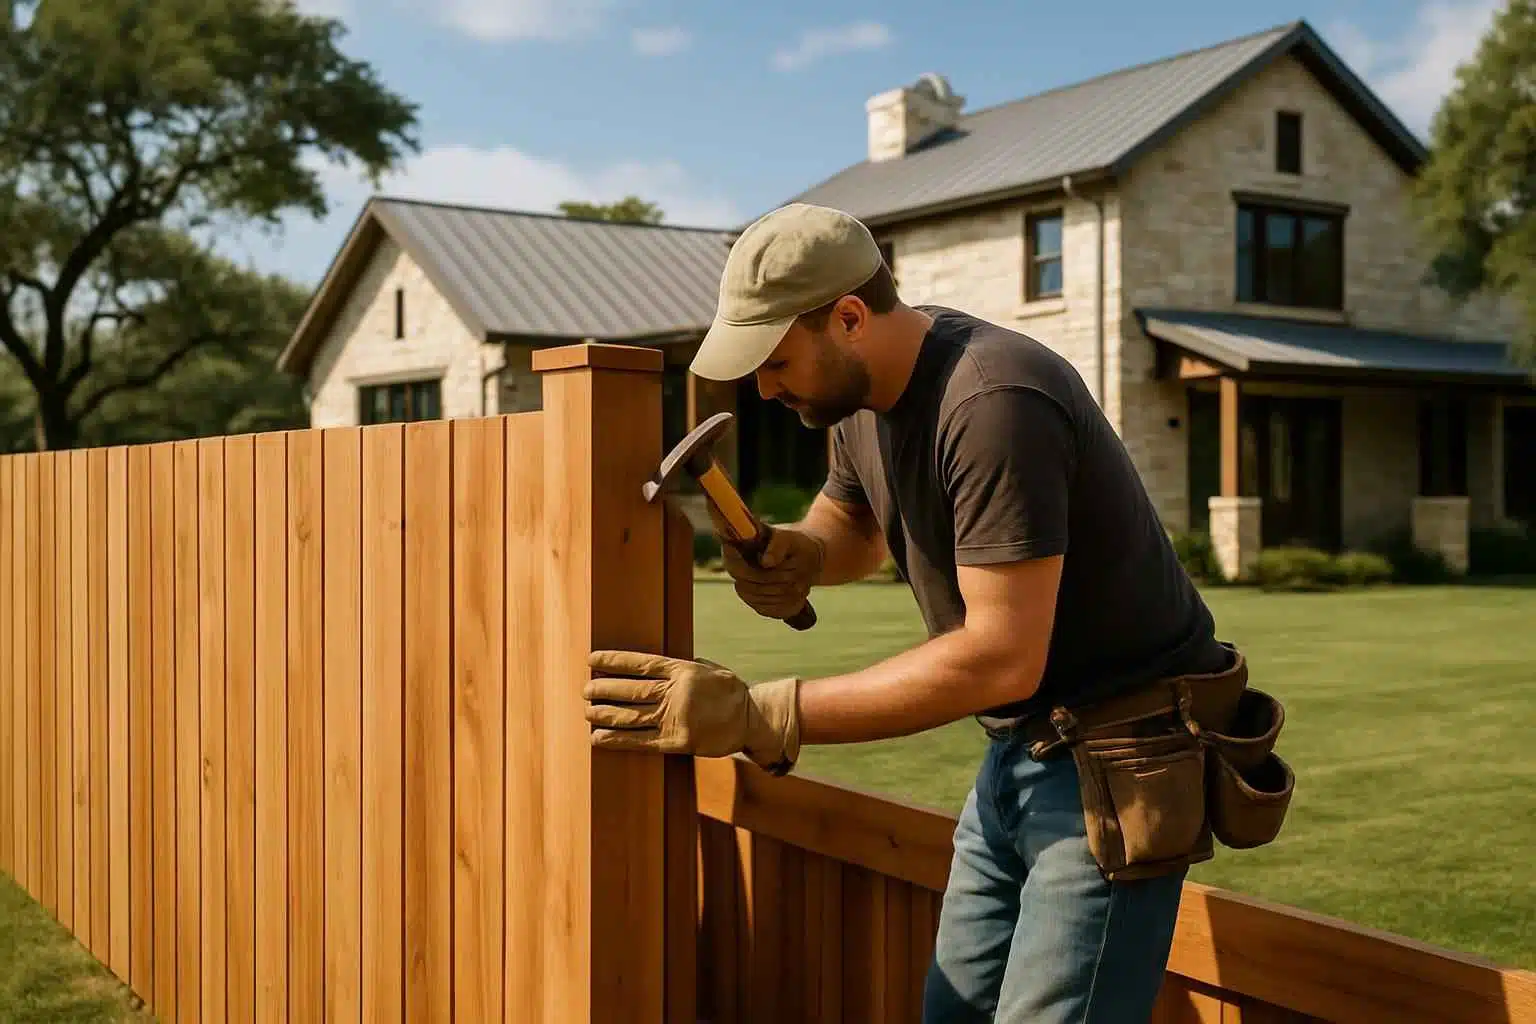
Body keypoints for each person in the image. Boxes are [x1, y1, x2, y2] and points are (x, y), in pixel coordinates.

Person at [582, 202, 1248, 1023]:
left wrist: (758, 715)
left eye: (777, 360)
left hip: (1117, 758)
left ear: (850, 318)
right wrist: (806, 553)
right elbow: (853, 522)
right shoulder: (855, 400)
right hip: (1015, 753)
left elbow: (1001, 655)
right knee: (951, 1014)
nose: (764, 386)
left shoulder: (994, 399)